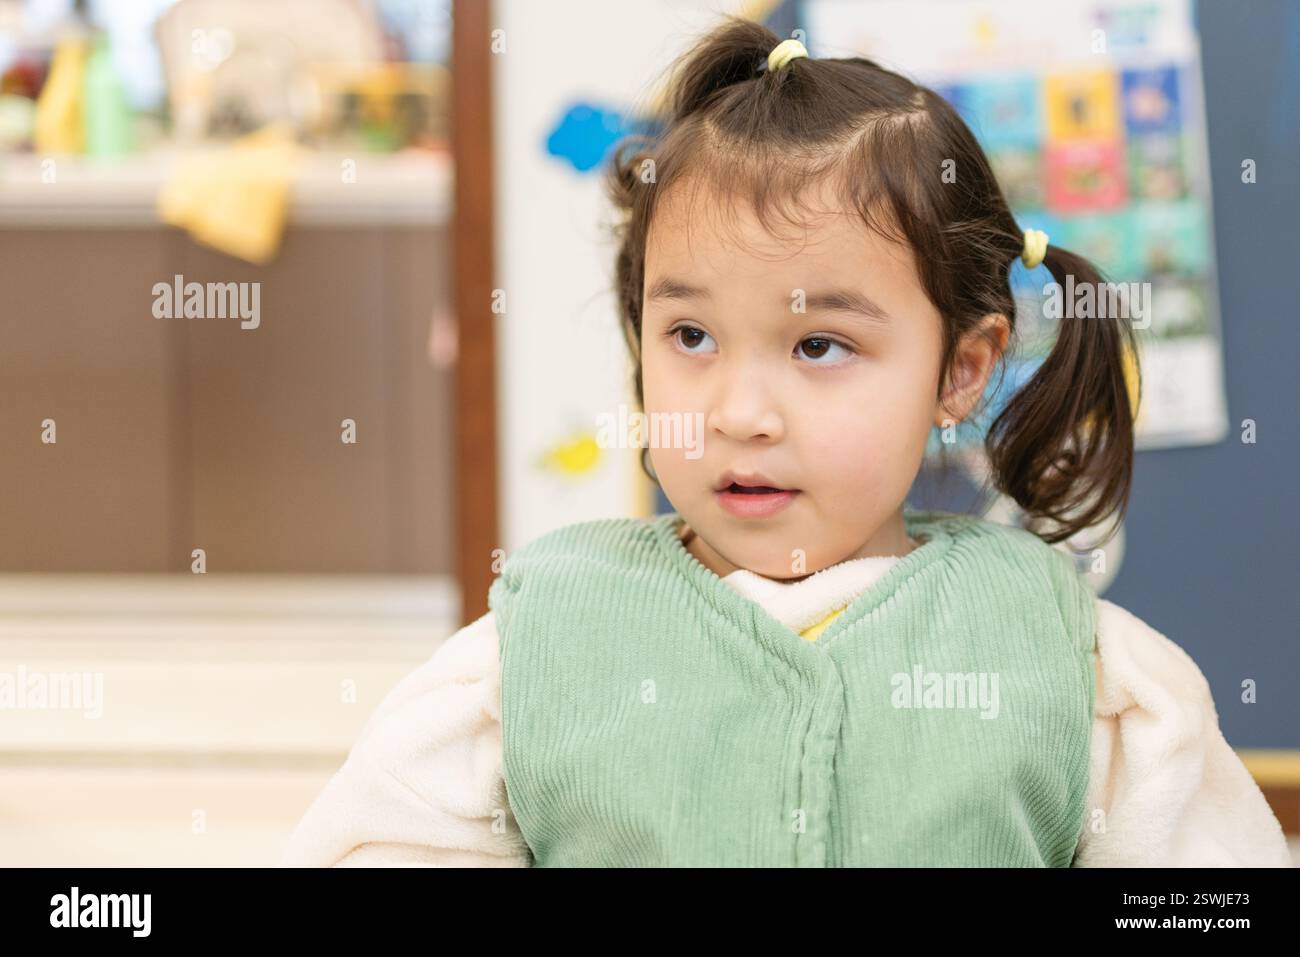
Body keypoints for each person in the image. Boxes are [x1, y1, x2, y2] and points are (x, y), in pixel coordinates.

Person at [280, 17, 1290, 867]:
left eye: (817, 344)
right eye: (689, 336)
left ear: (961, 370)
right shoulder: (524, 657)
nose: (737, 412)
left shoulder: (1079, 670)